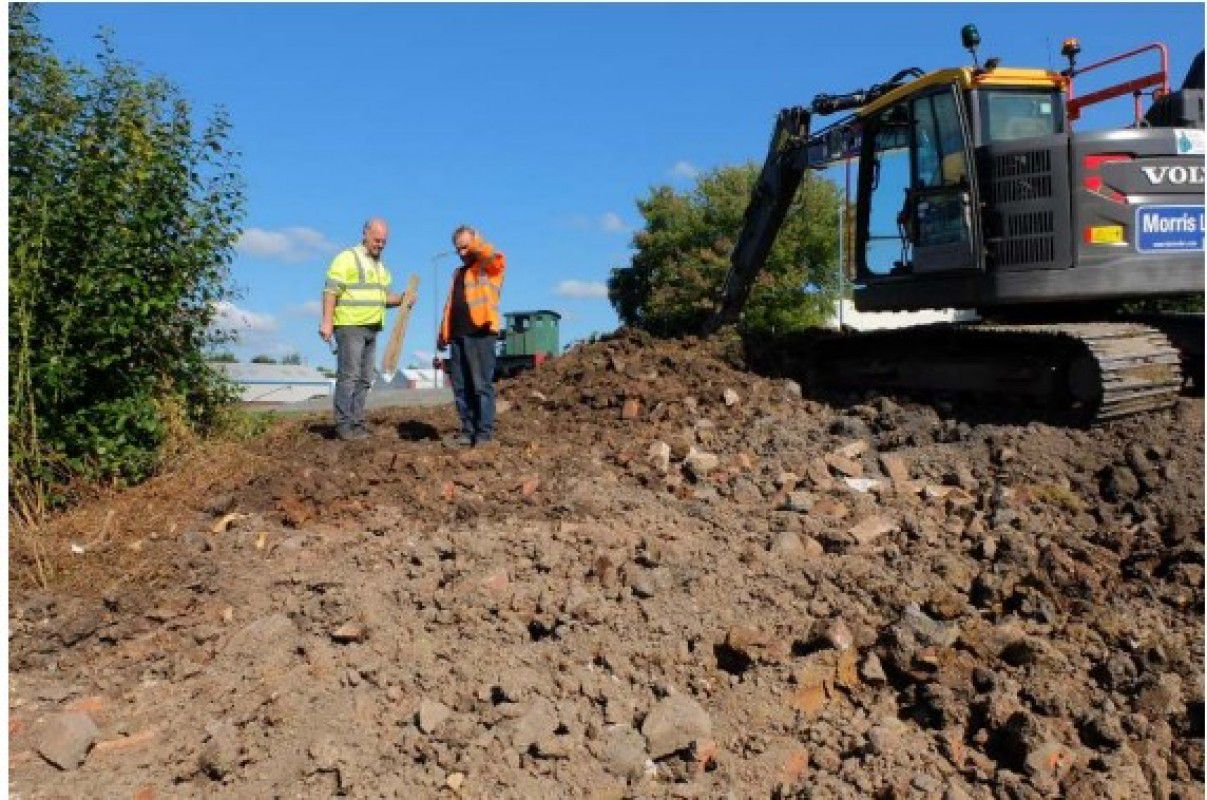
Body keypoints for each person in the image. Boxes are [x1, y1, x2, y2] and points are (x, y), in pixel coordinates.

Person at [319, 218, 406, 440]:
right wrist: (327, 321)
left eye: (384, 241)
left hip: (371, 327)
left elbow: (385, 298)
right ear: (365, 234)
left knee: (366, 377)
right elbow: (331, 291)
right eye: (377, 240)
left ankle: (356, 422)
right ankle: (343, 424)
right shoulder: (347, 258)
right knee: (350, 375)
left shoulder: (381, 268)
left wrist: (404, 299)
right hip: (350, 325)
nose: (380, 244)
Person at [436, 225, 506, 447]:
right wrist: (443, 333)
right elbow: (450, 306)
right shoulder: (458, 273)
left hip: (480, 333)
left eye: (466, 247)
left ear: (476, 242)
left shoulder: (488, 266)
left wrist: (476, 243)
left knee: (480, 385)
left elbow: (488, 253)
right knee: (461, 387)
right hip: (457, 336)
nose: (462, 252)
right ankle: (467, 431)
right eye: (458, 249)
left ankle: (484, 434)